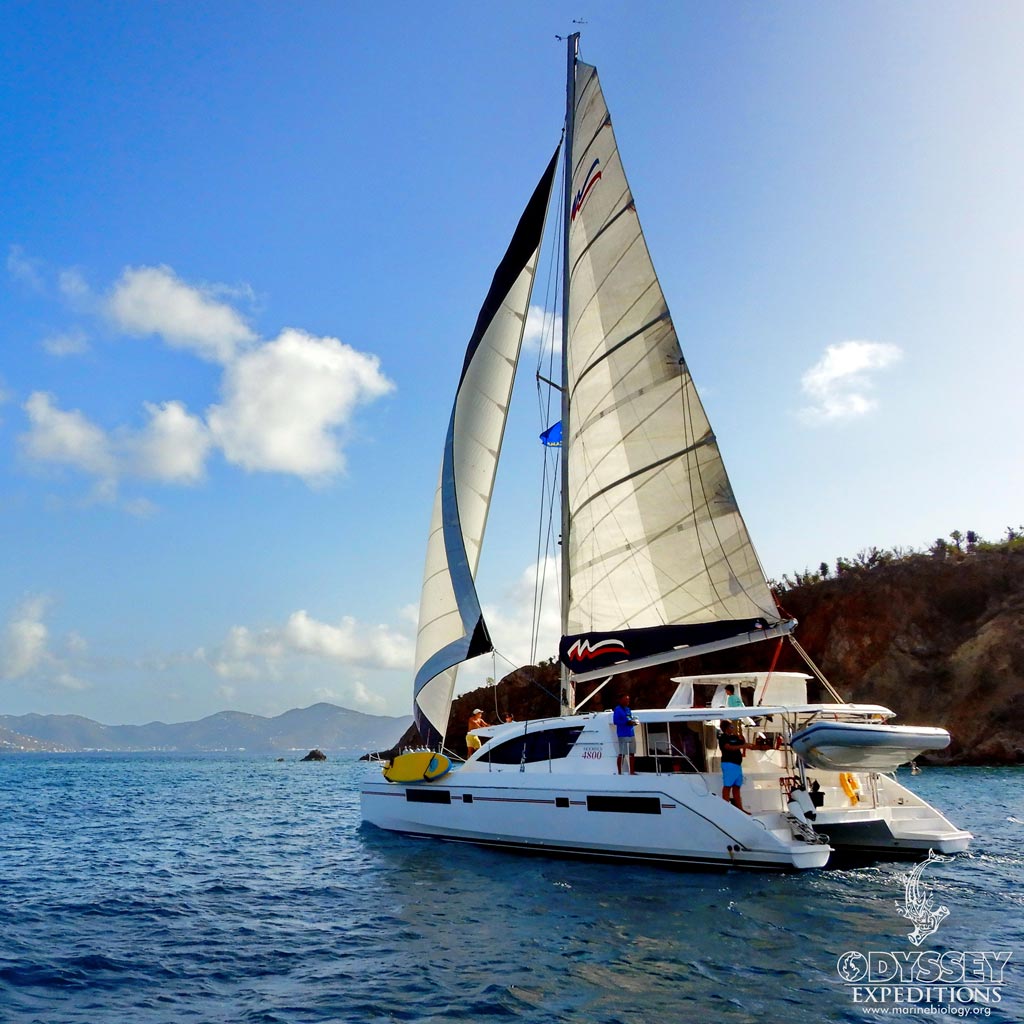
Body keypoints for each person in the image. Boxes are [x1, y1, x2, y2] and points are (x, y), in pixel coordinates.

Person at [718, 718, 749, 812]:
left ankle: (740, 809)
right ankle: (726, 809)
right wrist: (742, 746)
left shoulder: (734, 737)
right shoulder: (723, 737)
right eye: (731, 726)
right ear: (726, 728)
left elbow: (743, 742)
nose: (733, 728)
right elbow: (729, 748)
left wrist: (741, 737)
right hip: (728, 764)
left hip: (737, 765)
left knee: (737, 787)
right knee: (727, 786)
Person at [613, 694, 638, 775]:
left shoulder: (628, 709)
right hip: (623, 734)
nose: (628, 701)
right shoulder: (617, 709)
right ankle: (620, 772)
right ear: (621, 700)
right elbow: (616, 721)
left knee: (632, 753)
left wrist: (633, 722)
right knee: (622, 753)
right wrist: (626, 722)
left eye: (628, 699)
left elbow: (629, 718)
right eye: (626, 699)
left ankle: (632, 771)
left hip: (631, 733)